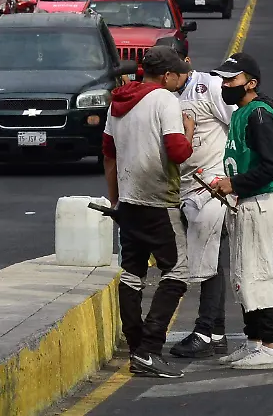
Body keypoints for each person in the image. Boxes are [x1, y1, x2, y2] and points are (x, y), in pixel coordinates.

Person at [103, 46, 195, 378]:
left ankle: (136, 344)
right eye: (180, 76)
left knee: (132, 273)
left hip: (128, 200)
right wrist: (190, 132)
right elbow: (177, 151)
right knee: (177, 272)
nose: (181, 81)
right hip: (159, 200)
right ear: (168, 75)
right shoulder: (166, 101)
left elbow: (109, 154)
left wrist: (115, 199)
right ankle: (149, 349)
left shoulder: (118, 102)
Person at [154, 37, 236, 360]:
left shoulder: (209, 87)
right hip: (185, 190)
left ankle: (204, 331)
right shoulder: (162, 97)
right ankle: (216, 333)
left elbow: (236, 125)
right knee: (209, 261)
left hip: (213, 188)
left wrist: (234, 179)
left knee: (208, 258)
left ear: (185, 62)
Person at [209, 52, 273, 370]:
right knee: (243, 276)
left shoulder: (258, 115)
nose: (225, 85)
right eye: (224, 80)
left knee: (258, 276)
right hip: (244, 204)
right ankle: (254, 341)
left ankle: (270, 347)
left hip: (258, 204)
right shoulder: (241, 113)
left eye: (232, 80)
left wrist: (234, 183)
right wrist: (226, 184)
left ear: (251, 83)